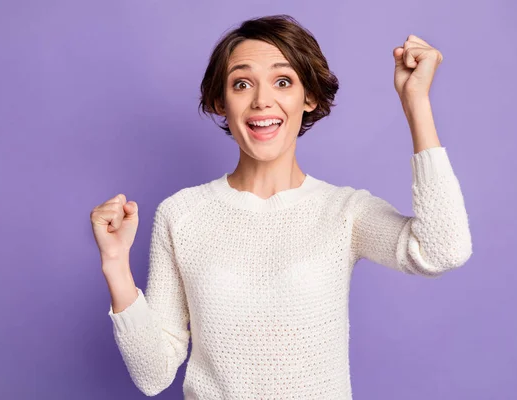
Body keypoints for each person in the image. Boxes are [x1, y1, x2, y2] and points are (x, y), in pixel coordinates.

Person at [90, 14, 472, 399]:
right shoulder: (182, 214)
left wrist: (415, 103)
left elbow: (442, 250)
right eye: (242, 84)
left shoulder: (344, 212)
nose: (261, 100)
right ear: (221, 102)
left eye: (283, 81)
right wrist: (116, 264)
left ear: (310, 97)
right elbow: (153, 374)